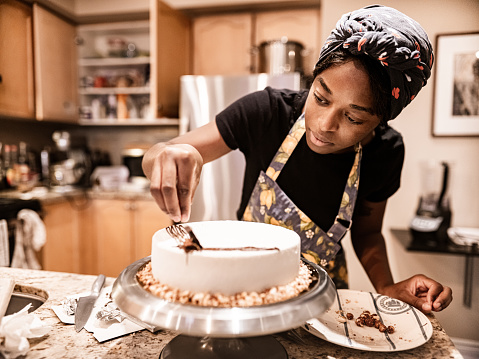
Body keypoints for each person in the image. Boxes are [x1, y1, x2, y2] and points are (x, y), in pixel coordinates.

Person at [142, 5, 453, 313]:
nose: (324, 124)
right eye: (320, 98)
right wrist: (164, 155)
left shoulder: (385, 152)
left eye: (354, 118)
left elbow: (368, 232)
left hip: (321, 301)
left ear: (381, 120)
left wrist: (386, 287)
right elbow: (158, 155)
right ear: (313, 78)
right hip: (244, 289)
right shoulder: (267, 112)